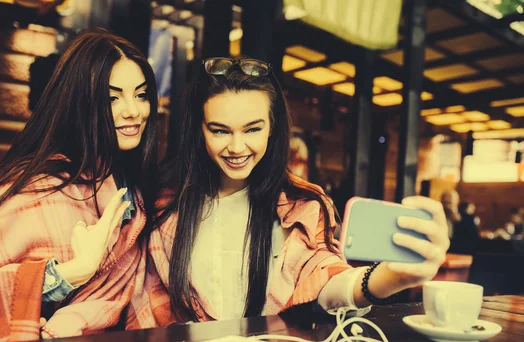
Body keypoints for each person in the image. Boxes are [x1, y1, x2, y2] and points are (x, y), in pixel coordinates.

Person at [126, 57, 450, 327]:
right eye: (220, 130)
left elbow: (323, 278)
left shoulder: (300, 205)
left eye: (253, 129)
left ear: (273, 127)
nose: (237, 147)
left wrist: (390, 277)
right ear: (200, 130)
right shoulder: (161, 203)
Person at [0, 29, 158, 342]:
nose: (133, 110)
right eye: (111, 97)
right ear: (80, 104)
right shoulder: (36, 190)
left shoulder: (133, 189)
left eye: (141, 94)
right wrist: (70, 273)